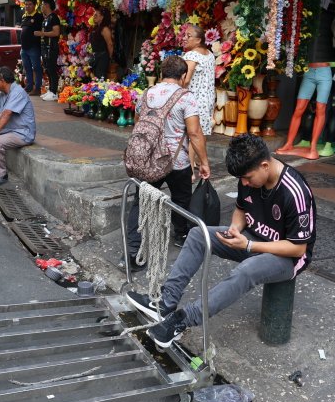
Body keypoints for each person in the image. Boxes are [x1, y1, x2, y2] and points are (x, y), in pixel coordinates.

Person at [127, 134, 316, 349]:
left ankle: (182, 321)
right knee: (199, 235)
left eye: (248, 178)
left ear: (265, 165)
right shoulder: (248, 174)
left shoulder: (295, 191)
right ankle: (165, 302)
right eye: (241, 179)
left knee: (247, 271)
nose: (244, 183)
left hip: (287, 256)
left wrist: (249, 245)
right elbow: (242, 209)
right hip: (253, 239)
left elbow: (298, 248)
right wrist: (235, 228)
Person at [124, 55, 212, 270]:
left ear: (162, 73)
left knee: (140, 202)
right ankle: (181, 234)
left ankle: (132, 253)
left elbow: (138, 125)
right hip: (176, 161)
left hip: (148, 160)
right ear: (183, 76)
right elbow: (194, 133)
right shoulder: (186, 97)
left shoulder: (147, 94)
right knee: (181, 199)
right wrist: (204, 162)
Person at [180, 24, 216, 136]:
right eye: (185, 35)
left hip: (193, 101)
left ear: (198, 40)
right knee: (201, 135)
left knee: (191, 136)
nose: (184, 38)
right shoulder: (210, 54)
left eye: (189, 36)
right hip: (207, 101)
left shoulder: (192, 55)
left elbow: (186, 80)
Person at [35, 0, 61, 101]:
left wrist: (42, 33)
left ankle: (54, 92)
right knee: (47, 69)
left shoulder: (54, 17)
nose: (41, 7)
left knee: (52, 69)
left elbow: (56, 32)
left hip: (51, 47)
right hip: (45, 47)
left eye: (42, 5)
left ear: (47, 5)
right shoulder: (46, 18)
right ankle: (50, 90)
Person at [19, 0, 43, 94]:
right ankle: (29, 87)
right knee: (27, 68)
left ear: (34, 5)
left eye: (30, 4)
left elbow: (42, 31)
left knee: (36, 68)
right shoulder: (24, 16)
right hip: (24, 48)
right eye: (26, 4)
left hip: (34, 47)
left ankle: (37, 88)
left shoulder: (39, 16)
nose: (27, 6)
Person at [89, 7, 116, 81]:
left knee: (99, 78)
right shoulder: (96, 28)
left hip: (102, 57)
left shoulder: (105, 29)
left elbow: (110, 44)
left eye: (96, 15)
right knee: (94, 78)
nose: (94, 16)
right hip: (96, 56)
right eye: (94, 15)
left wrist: (109, 57)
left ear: (102, 17)